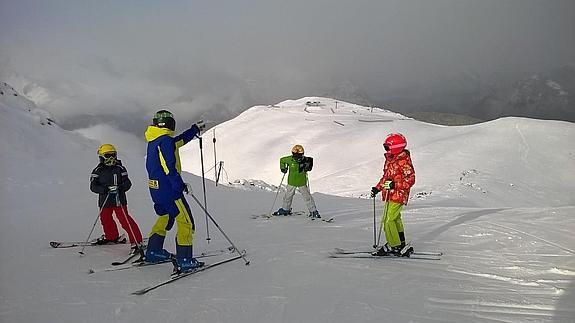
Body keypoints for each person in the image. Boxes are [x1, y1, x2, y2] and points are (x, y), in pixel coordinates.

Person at [144, 109, 206, 273]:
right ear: (170, 124)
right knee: (186, 222)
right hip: (169, 190)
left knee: (165, 217)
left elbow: (177, 142)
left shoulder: (154, 139)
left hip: (156, 189)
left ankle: (153, 251)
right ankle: (184, 260)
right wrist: (179, 185)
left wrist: (194, 130)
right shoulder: (164, 141)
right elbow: (168, 167)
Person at [90, 144, 144, 254]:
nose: (111, 158)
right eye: (108, 155)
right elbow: (93, 186)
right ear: (101, 157)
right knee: (105, 219)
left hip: (119, 200)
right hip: (105, 200)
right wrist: (104, 189)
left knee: (124, 219)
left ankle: (136, 240)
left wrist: (120, 188)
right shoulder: (98, 170)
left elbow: (128, 183)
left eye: (113, 155)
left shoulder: (120, 169)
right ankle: (111, 236)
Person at [370, 133, 415, 257]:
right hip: (390, 194)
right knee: (394, 219)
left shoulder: (403, 161)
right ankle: (401, 243)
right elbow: (386, 177)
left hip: (399, 194)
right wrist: (377, 188)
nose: (386, 150)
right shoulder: (390, 160)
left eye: (387, 147)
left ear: (395, 147)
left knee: (388, 220)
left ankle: (394, 245)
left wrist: (395, 185)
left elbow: (410, 179)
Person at [275, 144, 321, 218]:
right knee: (288, 196)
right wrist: (283, 168)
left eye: (298, 155)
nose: (296, 157)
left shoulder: (306, 160)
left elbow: (310, 163)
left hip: (301, 182)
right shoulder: (289, 159)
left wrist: (308, 167)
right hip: (292, 181)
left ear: (302, 154)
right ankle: (285, 209)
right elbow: (282, 160)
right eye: (295, 155)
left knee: (307, 197)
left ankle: (313, 211)